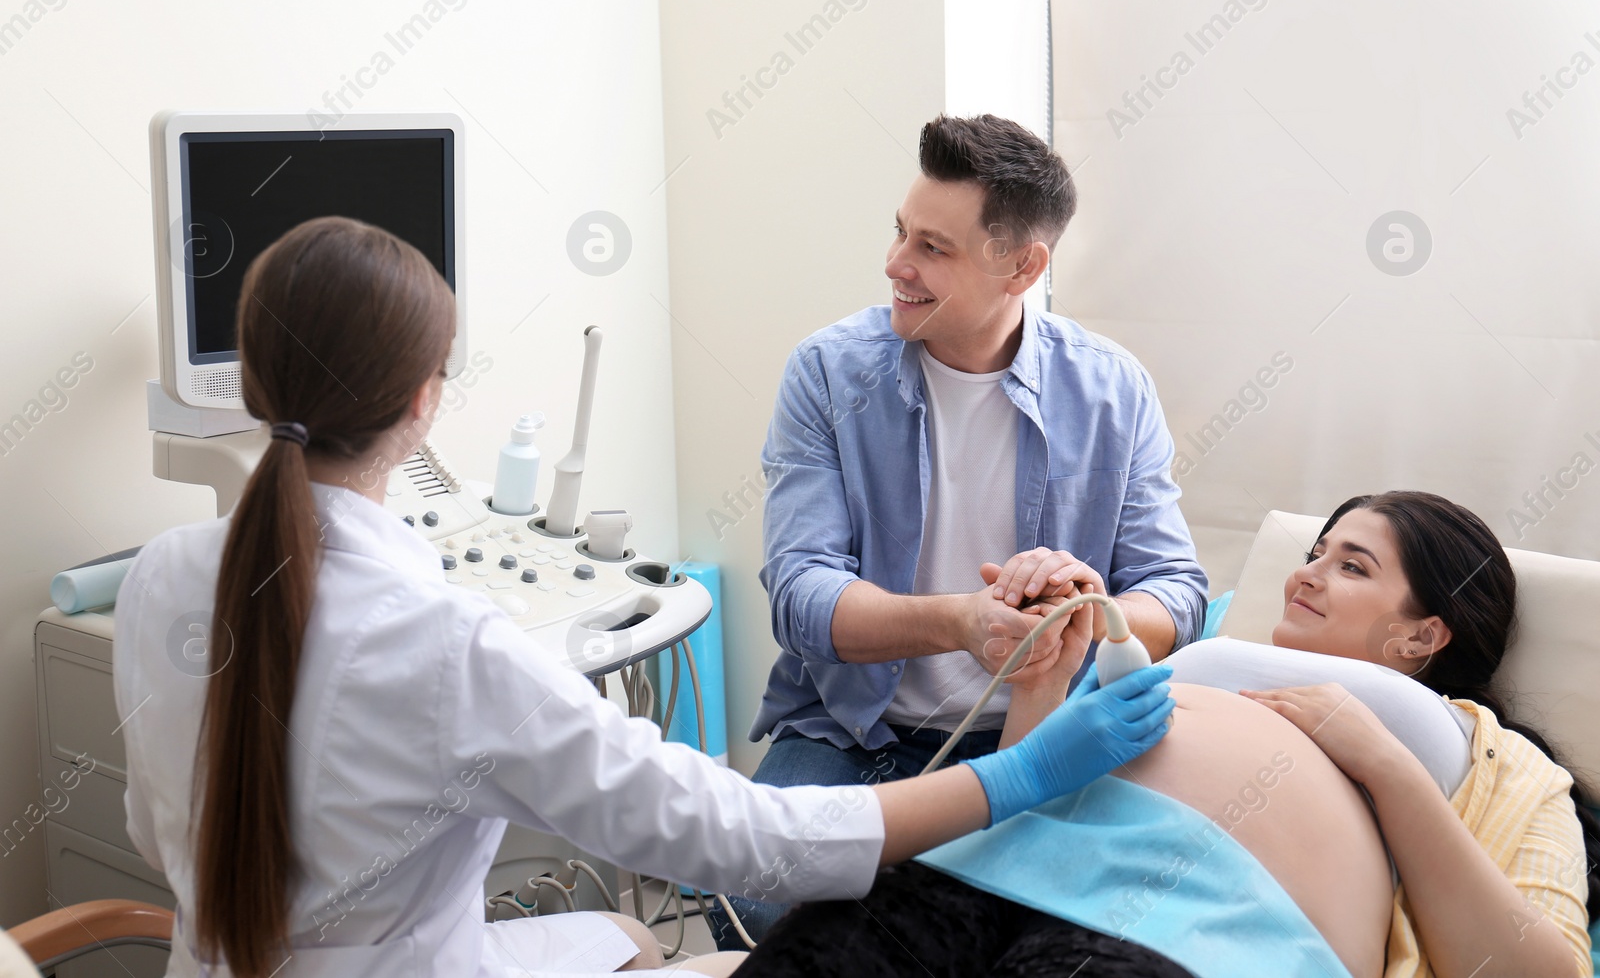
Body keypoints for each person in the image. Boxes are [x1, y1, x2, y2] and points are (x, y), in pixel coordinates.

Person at [110, 216, 1178, 978]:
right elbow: (748, 837)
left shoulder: (161, 573)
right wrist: (1024, 770)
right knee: (713, 946)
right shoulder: (450, 647)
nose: (901, 264)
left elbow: (158, 828)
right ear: (426, 400)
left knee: (625, 936)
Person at [739, 492, 1599, 977]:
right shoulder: (1193, 657)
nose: (1307, 571)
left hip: (1198, 930)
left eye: (1352, 565)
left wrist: (1380, 760)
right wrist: (1043, 681)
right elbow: (1021, 795)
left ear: (1426, 635)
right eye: (1319, 549)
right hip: (994, 875)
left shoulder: (1499, 761)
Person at [715, 114, 1208, 948]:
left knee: (1063, 939)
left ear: (1023, 265)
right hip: (851, 731)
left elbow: (1180, 595)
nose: (895, 264)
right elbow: (801, 599)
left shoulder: (1112, 391)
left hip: (1045, 733)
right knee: (767, 906)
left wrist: (1087, 610)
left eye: (932, 249)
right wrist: (962, 622)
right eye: (901, 233)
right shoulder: (829, 373)